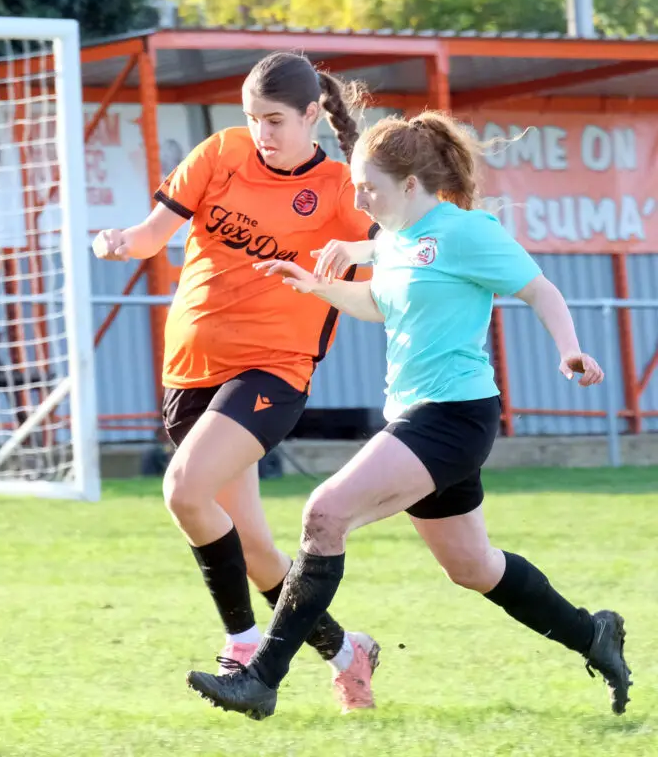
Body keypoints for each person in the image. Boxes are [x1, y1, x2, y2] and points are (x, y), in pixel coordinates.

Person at [185, 111, 631, 719]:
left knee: (324, 513)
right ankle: (593, 635)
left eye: (369, 186)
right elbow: (377, 302)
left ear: (414, 184)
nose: (358, 196)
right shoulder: (393, 237)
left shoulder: (467, 232)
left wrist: (570, 348)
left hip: (453, 416)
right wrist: (315, 288)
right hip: (419, 415)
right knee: (472, 567)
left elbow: (539, 289)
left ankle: (260, 679)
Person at [92, 52, 385, 712]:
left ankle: (243, 643)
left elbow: (393, 257)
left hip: (273, 370)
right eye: (253, 118)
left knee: (185, 491)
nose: (261, 132)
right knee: (253, 546)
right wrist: (117, 242)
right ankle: (347, 652)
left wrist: (363, 258)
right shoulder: (221, 152)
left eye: (275, 120)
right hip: (191, 367)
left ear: (312, 114)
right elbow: (150, 236)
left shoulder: (340, 188)